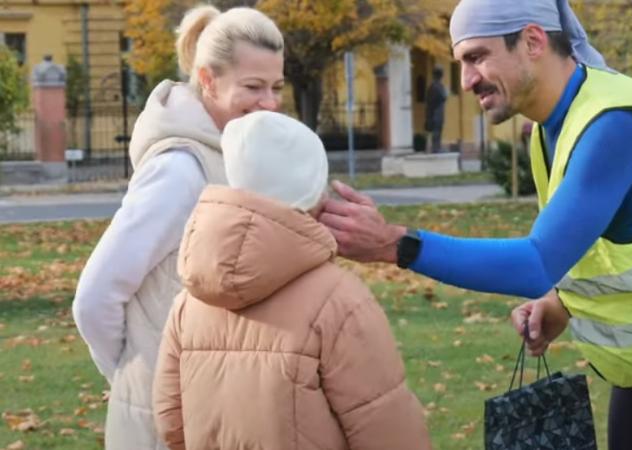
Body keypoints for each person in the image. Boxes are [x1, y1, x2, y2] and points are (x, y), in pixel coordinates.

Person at [318, 1, 632, 449]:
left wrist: (396, 245)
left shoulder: (614, 125)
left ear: (533, 41)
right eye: (461, 62)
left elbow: (536, 262)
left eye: (477, 57)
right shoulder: (551, 127)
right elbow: (596, 242)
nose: (465, 81)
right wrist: (560, 303)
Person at [151, 111, 432, 450]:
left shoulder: (191, 299)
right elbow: (387, 428)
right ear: (317, 196)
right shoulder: (339, 300)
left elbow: (170, 420)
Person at [72, 6, 286, 449]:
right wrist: (135, 373)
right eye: (253, 87)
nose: (269, 102)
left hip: (211, 407)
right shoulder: (180, 170)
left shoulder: (231, 155)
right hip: (165, 418)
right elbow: (95, 297)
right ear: (208, 80)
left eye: (276, 87)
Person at [424, 66, 448, 152]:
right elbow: (442, 97)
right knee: (436, 131)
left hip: (439, 112)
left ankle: (437, 147)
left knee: (438, 131)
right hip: (435, 112)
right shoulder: (434, 87)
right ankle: (435, 148)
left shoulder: (439, 86)